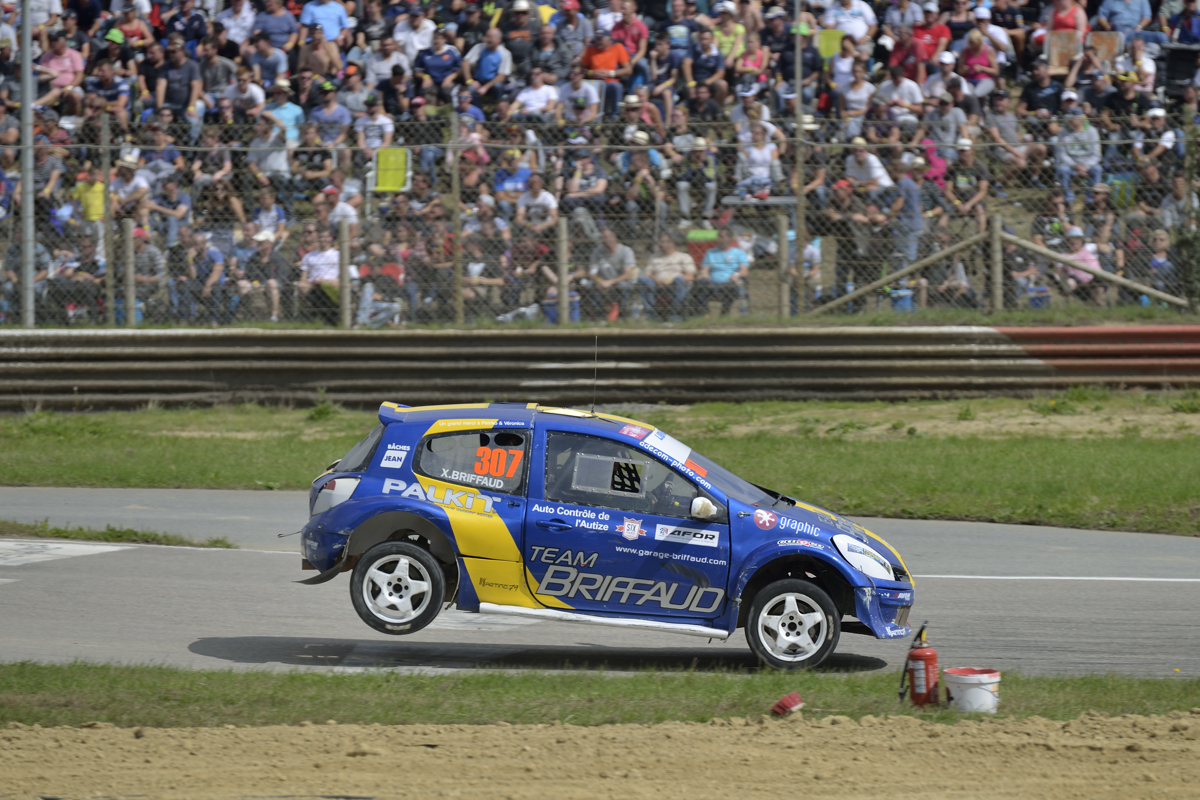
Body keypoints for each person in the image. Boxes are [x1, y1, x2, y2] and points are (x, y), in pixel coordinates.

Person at [578, 226, 636, 320]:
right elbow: (592, 273)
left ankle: (622, 314)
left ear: (614, 237)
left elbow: (627, 274)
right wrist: (600, 281)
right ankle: (598, 315)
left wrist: (610, 282)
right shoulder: (597, 252)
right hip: (602, 282)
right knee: (588, 284)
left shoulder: (626, 251)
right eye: (602, 238)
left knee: (624, 285)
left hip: (619, 282)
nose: (603, 240)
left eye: (606, 237)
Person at [638, 231, 695, 320]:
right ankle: (650, 314)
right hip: (657, 285)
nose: (660, 245)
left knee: (679, 280)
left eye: (663, 242)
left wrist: (670, 281)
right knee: (642, 279)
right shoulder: (654, 257)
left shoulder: (684, 257)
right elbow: (647, 274)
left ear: (671, 243)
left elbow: (690, 276)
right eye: (660, 242)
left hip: (675, 285)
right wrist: (656, 279)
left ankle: (674, 313)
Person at [692, 227, 748, 315]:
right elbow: (704, 270)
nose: (718, 239)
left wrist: (736, 275)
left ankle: (724, 313)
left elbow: (744, 271)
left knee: (731, 286)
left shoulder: (739, 253)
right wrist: (704, 275)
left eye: (721, 237)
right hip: (713, 284)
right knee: (701, 282)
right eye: (718, 236)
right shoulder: (710, 252)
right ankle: (704, 313)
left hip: (730, 284)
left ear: (729, 239)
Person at [1055, 107, 1102, 206]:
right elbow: (1062, 154)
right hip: (1071, 165)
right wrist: (1076, 165)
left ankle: (1091, 199)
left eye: (1073, 119)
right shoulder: (1062, 132)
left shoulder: (1092, 131)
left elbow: (1096, 155)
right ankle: (1069, 199)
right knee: (1063, 169)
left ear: (1081, 119)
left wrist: (1085, 166)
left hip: (1087, 164)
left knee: (1097, 169)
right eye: (1068, 119)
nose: (1070, 122)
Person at [583, 28, 632, 118]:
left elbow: (628, 70)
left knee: (617, 87)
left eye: (600, 39)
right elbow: (581, 69)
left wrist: (610, 73)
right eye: (596, 39)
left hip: (610, 83)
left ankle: (615, 117)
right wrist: (591, 73)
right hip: (593, 84)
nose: (597, 42)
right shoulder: (591, 49)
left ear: (609, 39)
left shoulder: (617, 47)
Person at [299, 227, 341, 322]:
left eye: (326, 237)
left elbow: (342, 279)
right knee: (303, 286)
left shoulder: (338, 255)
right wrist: (310, 283)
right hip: (313, 285)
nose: (323, 240)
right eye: (321, 237)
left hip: (330, 286)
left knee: (325, 287)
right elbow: (303, 279)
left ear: (331, 238)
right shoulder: (309, 256)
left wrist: (326, 281)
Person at [1056, 226, 1104, 304]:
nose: (1074, 241)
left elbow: (1104, 248)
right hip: (1077, 282)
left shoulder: (1088, 248)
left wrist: (1100, 242)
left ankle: (1097, 301)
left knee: (1100, 279)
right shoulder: (1063, 256)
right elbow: (1057, 272)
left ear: (1082, 240)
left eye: (1077, 238)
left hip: (1092, 279)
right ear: (1067, 241)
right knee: (1071, 280)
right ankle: (1066, 288)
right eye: (1071, 239)